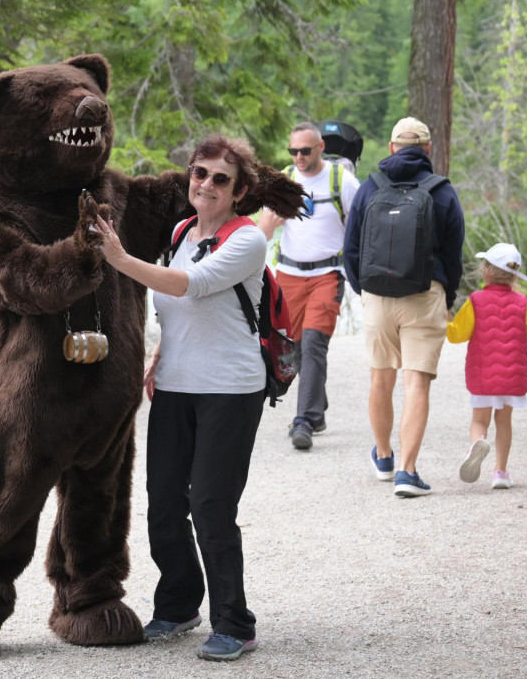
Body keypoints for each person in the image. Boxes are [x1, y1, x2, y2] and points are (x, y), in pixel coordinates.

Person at [94, 134, 267, 662]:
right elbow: (179, 312)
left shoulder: (248, 240)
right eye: (200, 173)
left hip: (230, 391)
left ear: (239, 191)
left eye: (221, 178)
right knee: (165, 505)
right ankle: (177, 605)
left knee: (212, 507)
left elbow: (189, 286)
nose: (206, 184)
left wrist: (119, 258)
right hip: (175, 386)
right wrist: (161, 356)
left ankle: (235, 624)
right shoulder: (182, 231)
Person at [343, 116, 465, 497]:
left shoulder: (369, 188)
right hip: (424, 293)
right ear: (427, 149)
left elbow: (350, 249)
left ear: (392, 148)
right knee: (416, 383)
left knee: (381, 378)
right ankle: (408, 473)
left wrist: (365, 290)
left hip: (377, 295)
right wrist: (447, 296)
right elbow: (454, 253)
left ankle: (383, 456)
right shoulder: (442, 191)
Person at [258, 122, 360, 450]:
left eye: (305, 150)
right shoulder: (285, 180)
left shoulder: (341, 180)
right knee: (295, 348)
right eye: (293, 151)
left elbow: (360, 224)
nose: (299, 157)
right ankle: (318, 405)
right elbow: (265, 227)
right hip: (288, 273)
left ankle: (303, 420)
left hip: (327, 273)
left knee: (315, 342)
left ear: (320, 147)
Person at [446, 243, 527, 489]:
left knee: (480, 419)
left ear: (486, 271)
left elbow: (457, 335)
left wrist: (446, 320)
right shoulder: (524, 304)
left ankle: (477, 442)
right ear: (513, 276)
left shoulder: (475, 301)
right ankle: (500, 473)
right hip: (512, 378)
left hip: (483, 377)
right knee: (504, 422)